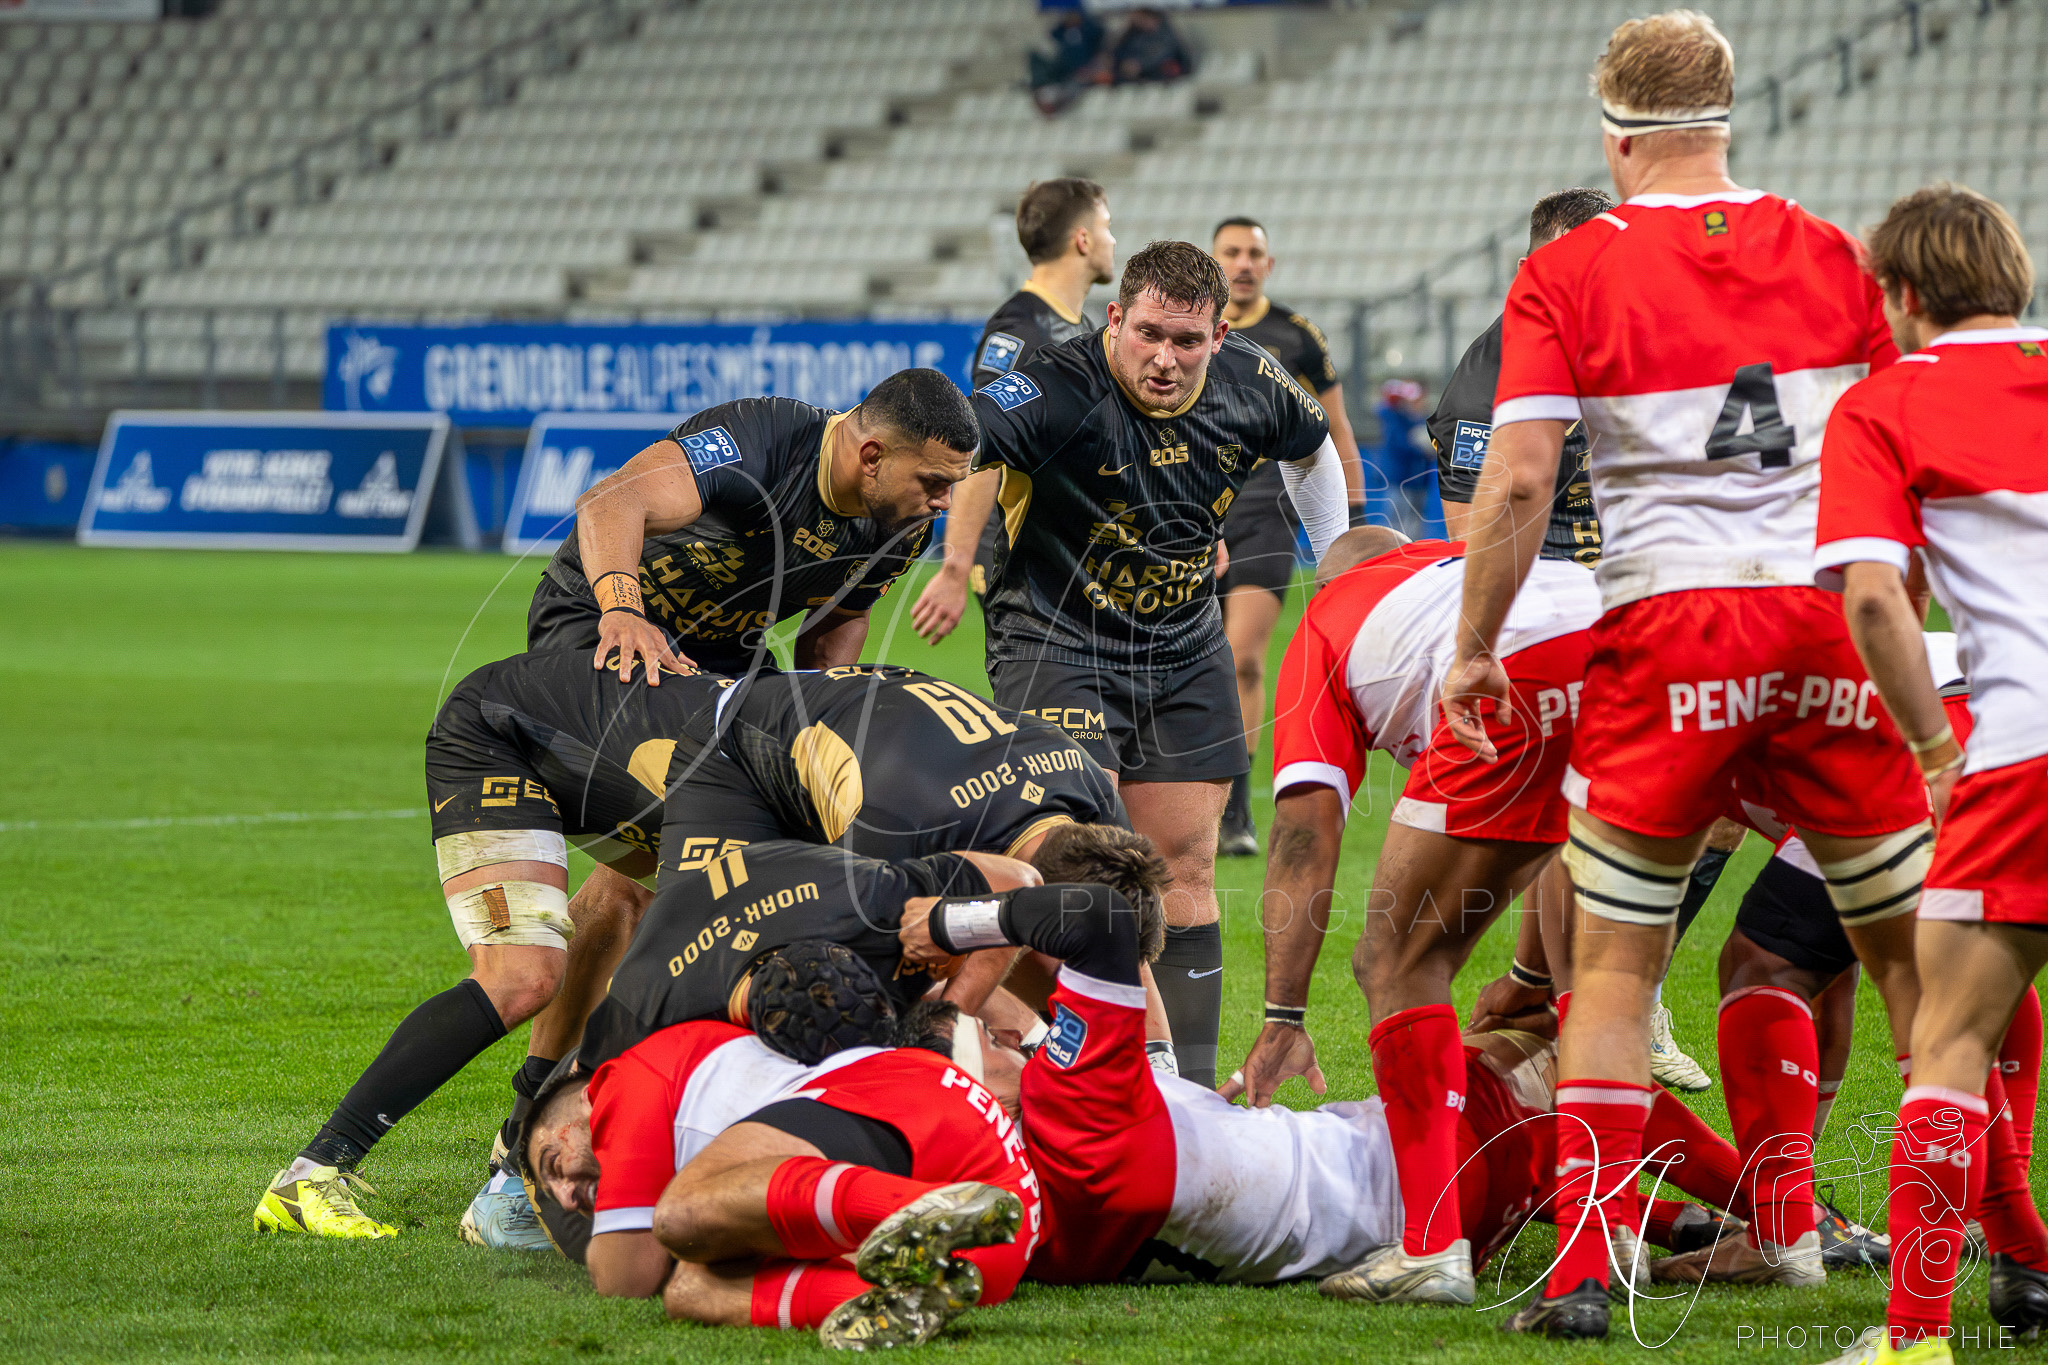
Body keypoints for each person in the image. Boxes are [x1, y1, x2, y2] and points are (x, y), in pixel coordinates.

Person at [1446, 11, 1932, 1335]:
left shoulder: (1566, 272)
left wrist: (1474, 643)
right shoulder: (1834, 251)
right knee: (1913, 970)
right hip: (1833, 626)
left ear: (1613, 134)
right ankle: (1998, 1254)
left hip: (1668, 636)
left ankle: (1588, 1275)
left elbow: (1523, 478)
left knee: (1611, 966)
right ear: (1725, 117)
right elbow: (1904, 446)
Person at [514, 366, 980, 1219]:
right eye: (935, 483)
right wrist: (622, 607)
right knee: (655, 870)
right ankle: (526, 1137)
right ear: (870, 454)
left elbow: (834, 627)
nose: (946, 503)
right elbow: (609, 502)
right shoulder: (764, 438)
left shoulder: (896, 521)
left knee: (726, 867)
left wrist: (825, 736)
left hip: (721, 667)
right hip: (596, 638)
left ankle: (705, 1105)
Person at [925, 239, 1350, 1088]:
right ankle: (1087, 1077)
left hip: (1185, 645)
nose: (1165, 358)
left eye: (1187, 341)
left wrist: (1337, 569)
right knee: (1079, 862)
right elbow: (959, 443)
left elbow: (1312, 450)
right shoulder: (1053, 383)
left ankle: (1185, 1102)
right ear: (1115, 317)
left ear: (1218, 337)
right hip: (1056, 644)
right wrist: (935, 543)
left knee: (1185, 871)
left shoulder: (1256, 381)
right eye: (1148, 333)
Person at [1222, 523, 1600, 1304]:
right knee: (1600, 990)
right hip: (1627, 641)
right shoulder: (1456, 563)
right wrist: (1537, 973)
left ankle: (1431, 1245)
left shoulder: (1329, 619)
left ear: (1327, 585)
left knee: (1397, 962)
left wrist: (1283, 1011)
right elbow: (1557, 837)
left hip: (1511, 673)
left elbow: (1303, 831)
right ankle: (1658, 1225)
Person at [1813, 184, 2048, 1365]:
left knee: (1951, 1044)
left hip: (2019, 752)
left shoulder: (1885, 401)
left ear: (1900, 297)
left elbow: (1867, 598)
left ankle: (1911, 1342)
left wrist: (1933, 756)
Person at [1428, 183, 1725, 1093]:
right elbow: (1469, 532)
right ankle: (1598, 1010)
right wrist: (1486, 641)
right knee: (1593, 823)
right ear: (1536, 269)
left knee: (1714, 819)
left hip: (1645, 602)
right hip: (1545, 618)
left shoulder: (1663, 340)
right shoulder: (1494, 366)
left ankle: (1579, 990)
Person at [521, 1001, 1039, 1349]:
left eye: (553, 1165)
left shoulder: (626, 1080)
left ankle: (908, 1209)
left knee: (680, 1215)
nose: (568, 1197)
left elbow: (625, 1278)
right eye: (557, 1192)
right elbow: (657, 1283)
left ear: (583, 1100)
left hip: (923, 1116)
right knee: (690, 1293)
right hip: (988, 1259)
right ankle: (893, 1290)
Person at [1207, 215, 1365, 859]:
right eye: (1232, 253)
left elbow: (1336, 430)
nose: (1244, 263)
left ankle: (1236, 811)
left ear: (1269, 265)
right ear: (1213, 261)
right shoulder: (1191, 335)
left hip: (1267, 510)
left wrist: (1348, 530)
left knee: (1242, 655)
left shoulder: (1296, 338)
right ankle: (1189, 794)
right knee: (1198, 659)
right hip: (1194, 512)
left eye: (1255, 253)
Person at [914, 179, 1113, 643]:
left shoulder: (1079, 329)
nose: (1112, 240)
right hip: (1022, 563)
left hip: (1069, 557)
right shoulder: (1020, 330)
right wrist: (956, 567)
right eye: (1107, 226)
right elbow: (979, 444)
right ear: (1082, 239)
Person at [1367, 379, 1443, 538]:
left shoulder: (1416, 420)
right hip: (1401, 479)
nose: (1418, 404)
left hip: (1417, 480)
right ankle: (1392, 553)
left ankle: (1410, 554)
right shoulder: (1395, 420)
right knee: (1397, 520)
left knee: (1413, 519)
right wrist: (1421, 449)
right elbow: (1402, 446)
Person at [1109, 9, 1190, 86]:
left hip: (1163, 76)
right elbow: (1119, 51)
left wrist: (1140, 64)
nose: (1139, 23)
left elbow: (1164, 54)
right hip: (1138, 77)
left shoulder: (1167, 35)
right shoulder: (1136, 33)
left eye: (1141, 19)